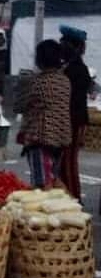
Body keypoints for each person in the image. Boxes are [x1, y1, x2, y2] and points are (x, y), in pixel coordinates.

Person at [19, 40, 72, 189]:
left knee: (42, 185)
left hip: (41, 140)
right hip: (60, 139)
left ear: (40, 59)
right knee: (53, 179)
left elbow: (20, 105)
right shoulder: (65, 80)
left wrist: (23, 82)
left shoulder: (39, 82)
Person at [59, 25, 94, 200]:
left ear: (76, 48)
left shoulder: (77, 69)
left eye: (64, 44)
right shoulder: (69, 67)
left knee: (69, 161)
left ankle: (74, 197)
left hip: (74, 121)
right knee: (63, 162)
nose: (61, 48)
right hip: (68, 121)